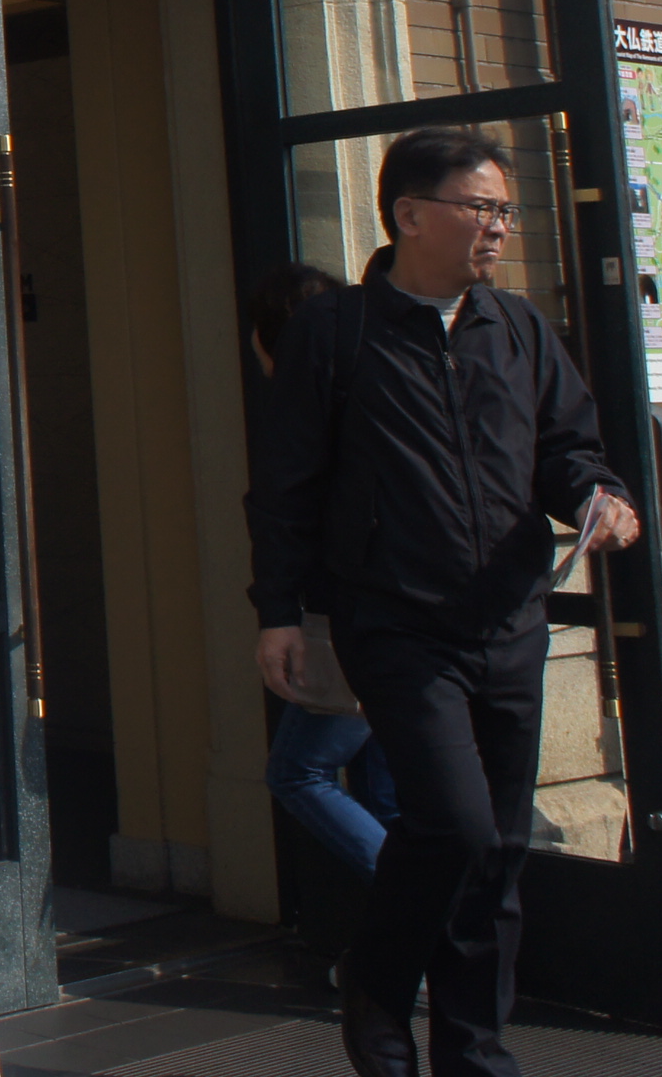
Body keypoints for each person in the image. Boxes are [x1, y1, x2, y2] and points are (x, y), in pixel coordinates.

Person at [245, 127, 641, 1077]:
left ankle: (475, 1053)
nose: (499, 227)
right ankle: (377, 987)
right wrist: (279, 611)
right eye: (482, 208)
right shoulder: (335, 332)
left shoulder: (519, 329)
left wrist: (598, 496)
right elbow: (286, 485)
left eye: (505, 210)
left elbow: (567, 449)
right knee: (454, 824)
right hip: (395, 623)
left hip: (508, 619)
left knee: (497, 848)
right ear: (411, 214)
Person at [244, 262, 398, 881]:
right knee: (384, 789)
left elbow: (286, 515)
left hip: (345, 614)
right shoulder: (381, 391)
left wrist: (279, 614)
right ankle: (413, 930)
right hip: (404, 615)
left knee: (298, 771)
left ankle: (423, 903)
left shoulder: (302, 411)